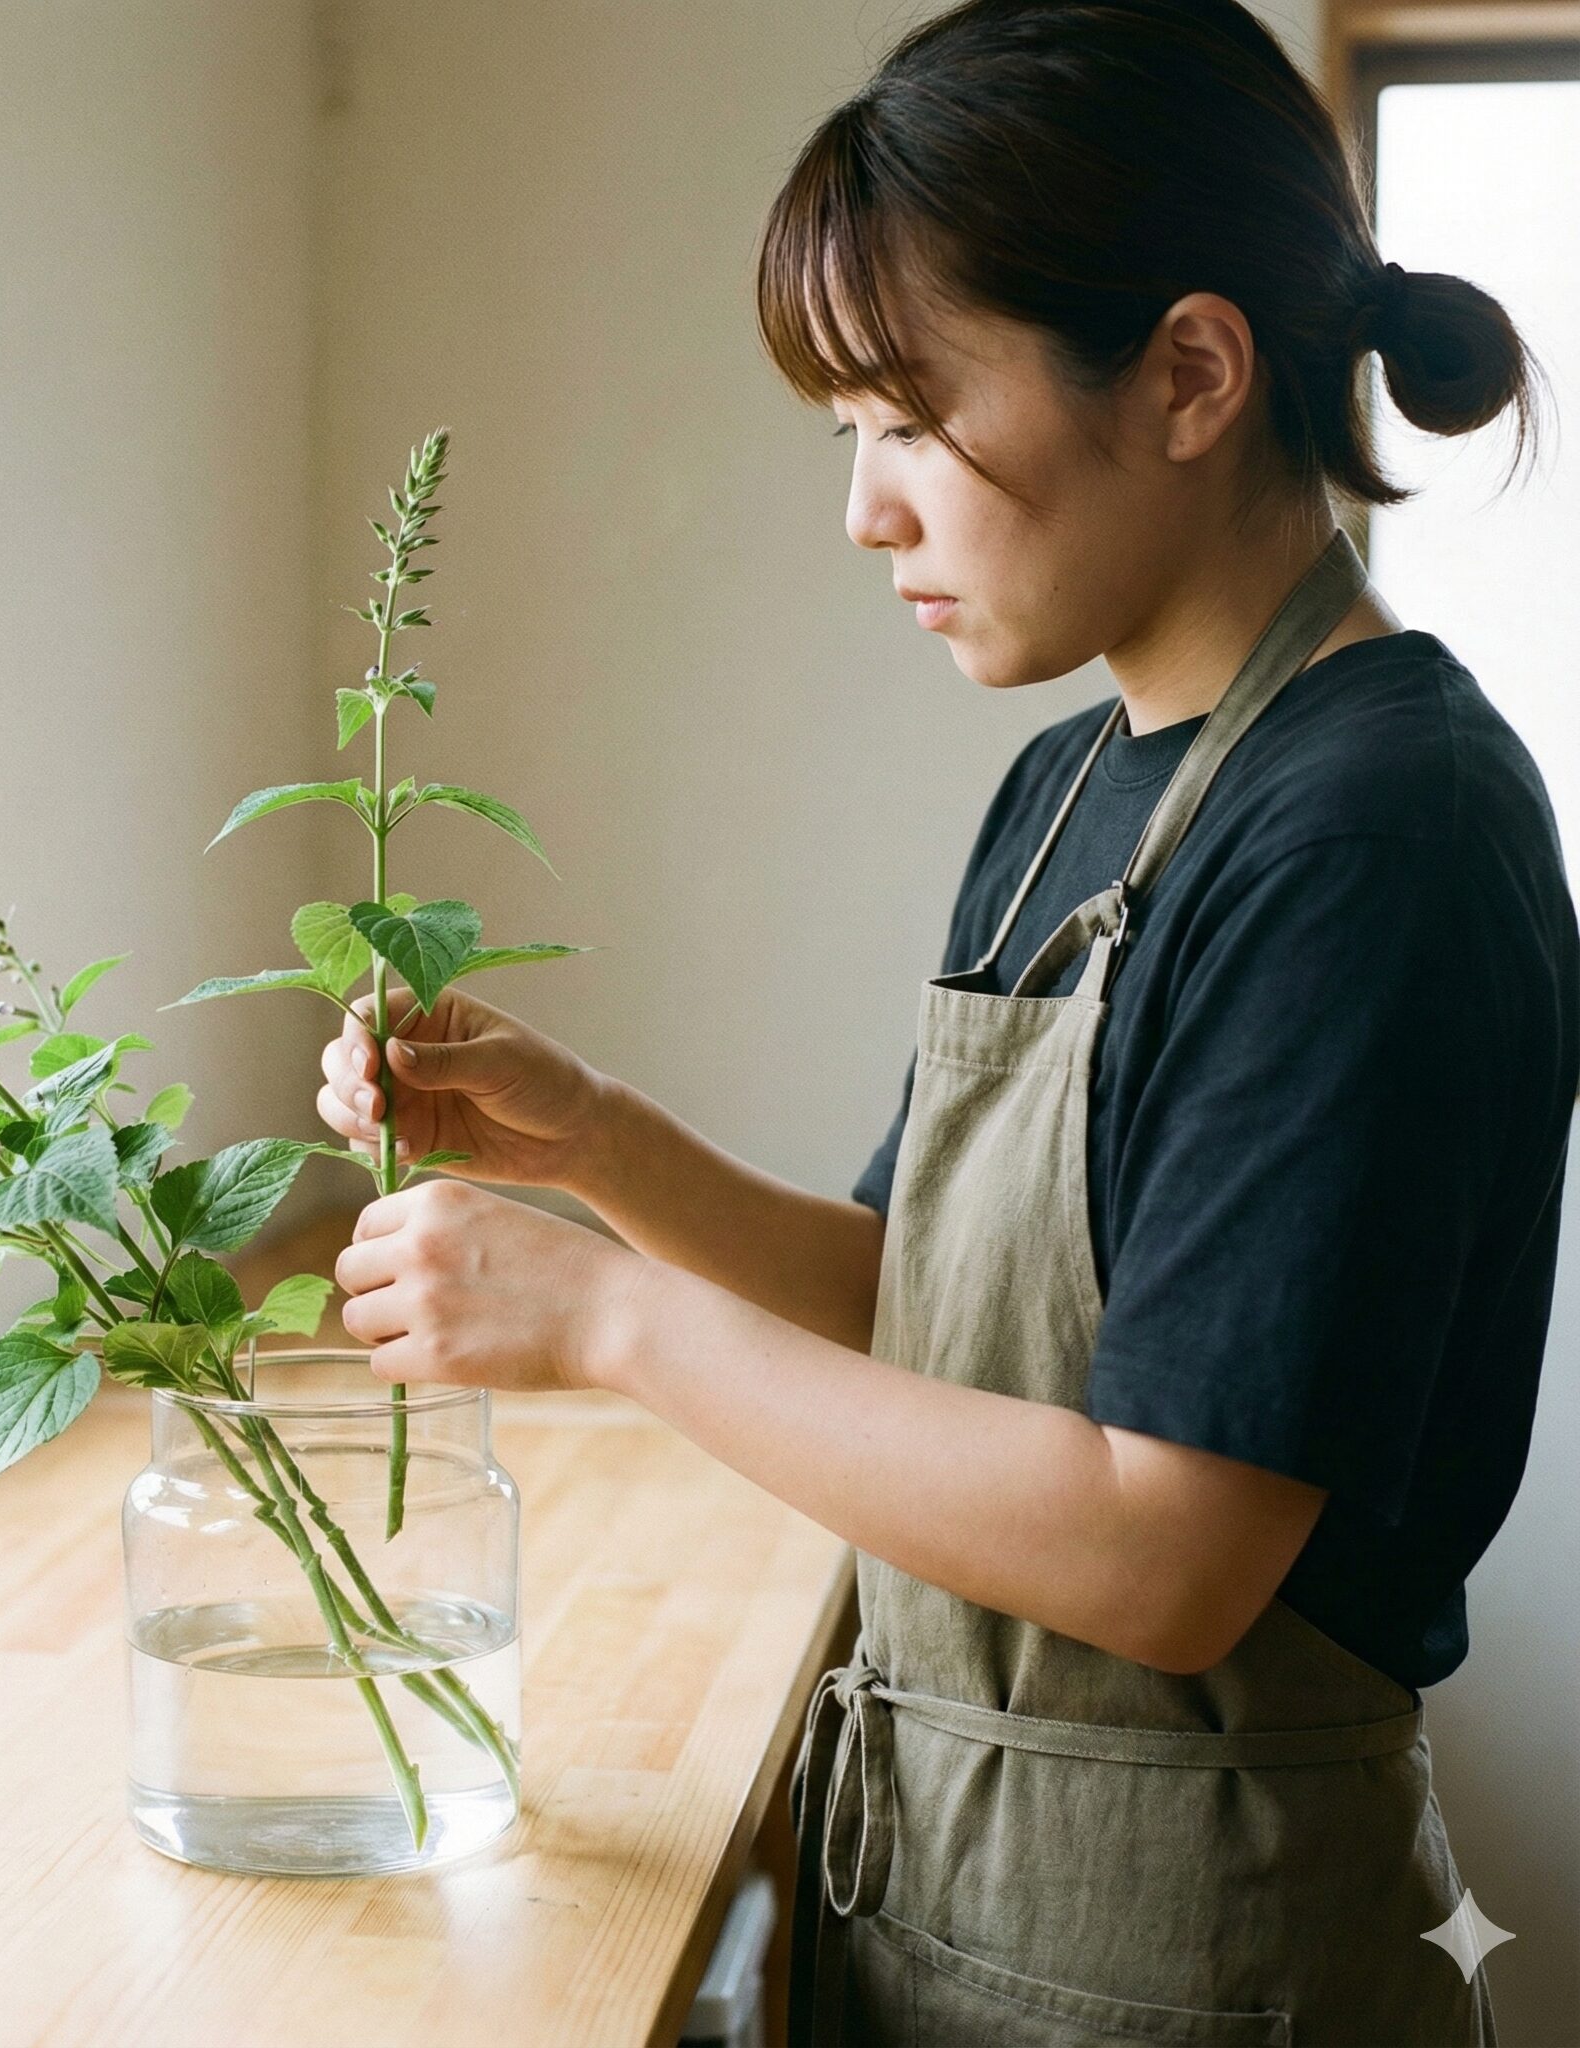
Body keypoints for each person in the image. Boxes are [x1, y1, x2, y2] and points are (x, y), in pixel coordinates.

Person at [321, 0, 1576, 2038]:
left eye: (909, 419)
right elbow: (920, 1306)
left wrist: (609, 1320)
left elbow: (1167, 1550)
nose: (866, 512)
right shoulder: (1072, 786)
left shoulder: (1377, 828)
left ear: (1187, 375)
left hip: (1204, 1973)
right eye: (847, 436)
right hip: (945, 1907)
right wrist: (596, 1146)